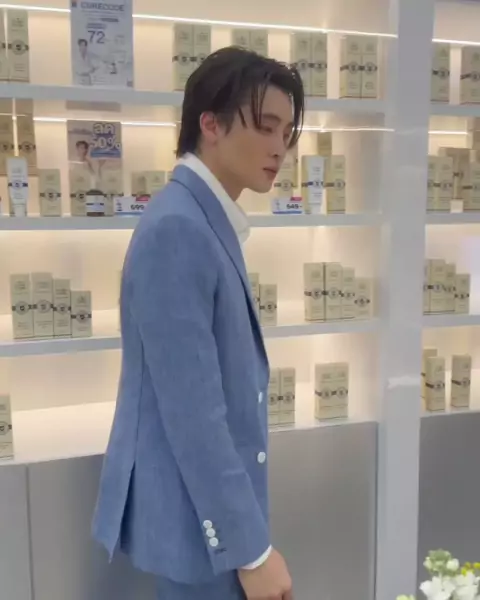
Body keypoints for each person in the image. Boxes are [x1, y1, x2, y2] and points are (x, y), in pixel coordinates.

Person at [92, 46, 304, 600]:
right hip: (201, 531)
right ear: (210, 124)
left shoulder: (199, 219)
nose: (279, 148)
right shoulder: (179, 229)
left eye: (287, 133)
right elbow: (194, 415)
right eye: (265, 126)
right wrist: (251, 551)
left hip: (208, 524)